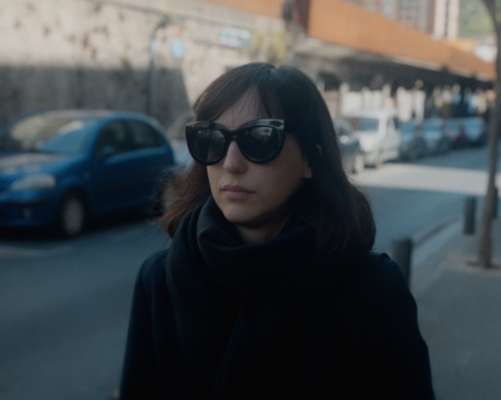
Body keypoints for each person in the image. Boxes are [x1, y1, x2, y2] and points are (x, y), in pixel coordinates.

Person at [118, 62, 434, 399]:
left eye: (259, 139)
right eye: (212, 139)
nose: (231, 163)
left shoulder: (374, 291)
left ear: (310, 159)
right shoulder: (161, 282)